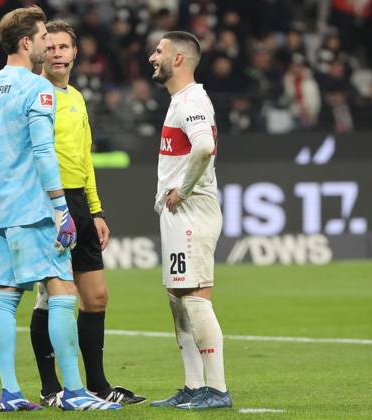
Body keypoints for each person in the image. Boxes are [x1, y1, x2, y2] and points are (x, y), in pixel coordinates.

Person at [0, 6, 120, 412]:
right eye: (42, 37)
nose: (47, 44)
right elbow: (42, 152)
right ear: (27, 42)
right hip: (34, 206)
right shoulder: (35, 89)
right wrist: (60, 209)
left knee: (6, 297)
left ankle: (11, 393)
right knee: (61, 290)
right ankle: (74, 393)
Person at [29, 19, 145, 406]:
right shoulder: (35, 94)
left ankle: (97, 385)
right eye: (52, 47)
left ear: (75, 52)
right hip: (48, 202)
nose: (58, 53)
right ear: (42, 51)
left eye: (65, 47)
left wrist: (96, 211)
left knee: (95, 298)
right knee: (50, 298)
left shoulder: (76, 97)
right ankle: (50, 389)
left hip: (79, 203)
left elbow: (84, 159)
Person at [147, 31, 232, 410]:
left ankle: (217, 390)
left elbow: (203, 147)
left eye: (160, 51)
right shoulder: (178, 100)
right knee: (178, 299)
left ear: (178, 59)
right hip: (177, 215)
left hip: (192, 211)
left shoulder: (193, 100)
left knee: (194, 297)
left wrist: (181, 189)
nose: (153, 57)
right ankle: (194, 385)